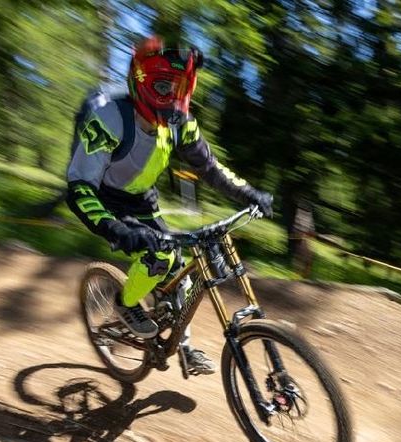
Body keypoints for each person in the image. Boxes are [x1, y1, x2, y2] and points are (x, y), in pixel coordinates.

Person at [65, 35, 273, 375]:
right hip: (105, 200)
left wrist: (249, 193)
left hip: (142, 199)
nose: (172, 96)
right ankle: (125, 303)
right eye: (164, 86)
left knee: (181, 267)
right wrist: (115, 228)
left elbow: (210, 168)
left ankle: (184, 346)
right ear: (142, 82)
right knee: (158, 257)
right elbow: (79, 187)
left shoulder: (179, 124)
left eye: (179, 87)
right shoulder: (109, 119)